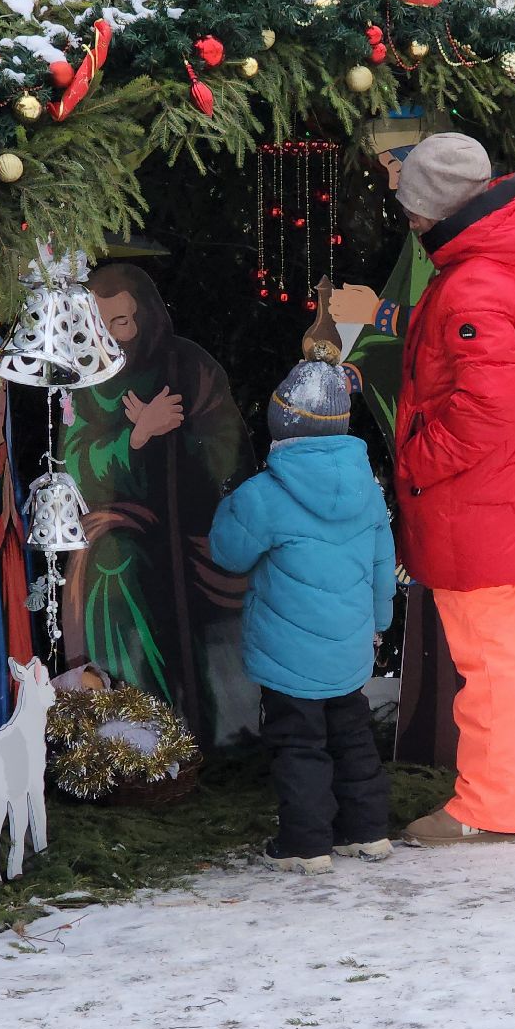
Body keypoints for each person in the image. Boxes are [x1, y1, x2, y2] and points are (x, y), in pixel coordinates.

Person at [390, 133, 515, 847]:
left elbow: (484, 410)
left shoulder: (473, 282)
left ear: (437, 210)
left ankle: (485, 805)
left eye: (412, 209)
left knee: (488, 659)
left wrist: (418, 461)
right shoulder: (507, 263)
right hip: (511, 491)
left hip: (477, 498)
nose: (407, 222)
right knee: (514, 648)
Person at [210, 357, 397, 875]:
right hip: (350, 646)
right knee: (353, 735)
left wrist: (230, 503)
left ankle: (306, 842)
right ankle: (367, 832)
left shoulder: (264, 495)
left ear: (281, 426)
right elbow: (384, 564)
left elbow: (227, 553)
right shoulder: (368, 492)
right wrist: (378, 622)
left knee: (298, 744)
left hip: (288, 654)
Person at [63, 264, 254, 739]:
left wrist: (181, 439)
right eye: (100, 325)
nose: (112, 337)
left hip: (195, 523)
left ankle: (206, 728)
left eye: (123, 323)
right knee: (115, 562)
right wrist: (138, 436)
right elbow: (74, 460)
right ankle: (135, 728)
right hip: (121, 523)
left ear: (146, 318)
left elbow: (230, 450)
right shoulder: (83, 378)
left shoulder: (188, 365)